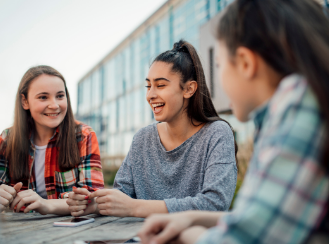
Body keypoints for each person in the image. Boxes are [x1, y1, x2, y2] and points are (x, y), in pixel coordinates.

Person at [137, 0, 329, 243]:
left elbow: (246, 238)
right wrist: (190, 218)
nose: (219, 82)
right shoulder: (307, 102)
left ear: (245, 63)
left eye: (220, 65)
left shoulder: (299, 105)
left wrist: (186, 234)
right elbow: (259, 216)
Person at [67, 40, 238, 218]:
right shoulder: (143, 138)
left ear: (189, 89)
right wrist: (94, 203)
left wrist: (134, 207)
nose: (150, 95)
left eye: (161, 85)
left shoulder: (217, 133)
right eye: (148, 86)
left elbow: (214, 204)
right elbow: (122, 195)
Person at [0, 65, 104, 215]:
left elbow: (94, 200)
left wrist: (46, 204)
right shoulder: (6, 140)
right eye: (43, 97)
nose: (54, 105)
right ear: (25, 102)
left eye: (60, 96)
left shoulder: (84, 136)